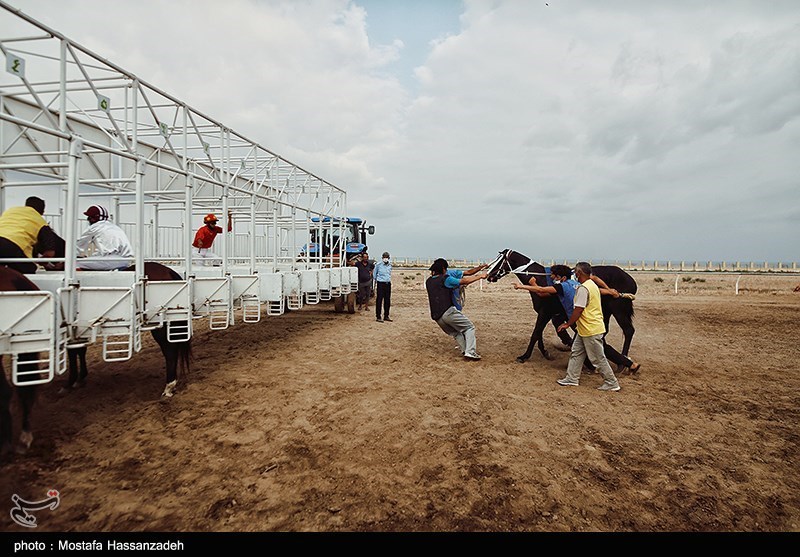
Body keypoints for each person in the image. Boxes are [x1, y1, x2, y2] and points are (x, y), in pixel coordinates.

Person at [514, 264, 641, 374]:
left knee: (599, 347)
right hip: (587, 321)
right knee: (577, 348)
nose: (552, 278)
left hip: (584, 322)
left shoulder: (562, 287)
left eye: (554, 276)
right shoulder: (580, 285)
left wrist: (524, 286)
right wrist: (610, 291)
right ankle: (575, 375)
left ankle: (626, 367)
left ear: (562, 278)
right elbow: (598, 286)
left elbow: (541, 290)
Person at [555, 261, 621, 391]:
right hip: (585, 328)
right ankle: (572, 378)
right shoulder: (592, 285)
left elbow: (578, 310)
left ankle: (611, 382)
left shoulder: (583, 288)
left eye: (576, 272)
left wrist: (568, 324)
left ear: (579, 273)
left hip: (590, 329)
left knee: (597, 358)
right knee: (577, 352)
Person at [426, 258, 488, 361]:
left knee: (456, 333)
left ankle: (465, 350)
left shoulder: (429, 281)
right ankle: (470, 351)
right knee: (469, 327)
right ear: (443, 268)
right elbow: (463, 280)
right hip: (448, 312)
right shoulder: (446, 279)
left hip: (437, 316)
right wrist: (480, 276)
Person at [0, 196, 61, 274]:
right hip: (13, 245)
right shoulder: (41, 222)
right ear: (42, 212)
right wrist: (43, 262)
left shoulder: (10, 211)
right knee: (29, 270)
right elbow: (49, 253)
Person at [75, 205, 133, 270]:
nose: (88, 219)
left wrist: (72, 256)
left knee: (74, 263)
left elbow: (79, 246)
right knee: (94, 257)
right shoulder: (114, 226)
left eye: (89, 217)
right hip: (126, 260)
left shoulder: (94, 227)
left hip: (112, 260)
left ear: (94, 218)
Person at [374, 251, 393, 322]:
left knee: (387, 300)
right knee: (379, 300)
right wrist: (377, 281)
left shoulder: (390, 265)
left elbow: (389, 274)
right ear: (382, 258)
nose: (385, 258)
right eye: (384, 257)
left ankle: (386, 316)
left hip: (388, 284)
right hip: (380, 284)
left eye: (387, 257)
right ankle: (378, 316)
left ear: (389, 258)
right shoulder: (378, 265)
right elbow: (374, 275)